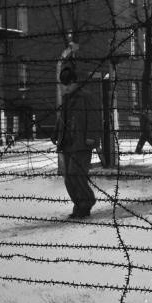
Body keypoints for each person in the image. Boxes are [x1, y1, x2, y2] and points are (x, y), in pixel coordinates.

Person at [51, 59, 102, 218]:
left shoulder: (86, 97)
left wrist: (91, 138)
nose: (64, 87)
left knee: (76, 174)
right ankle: (79, 204)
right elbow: (62, 120)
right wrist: (56, 133)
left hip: (81, 143)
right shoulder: (67, 100)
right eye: (63, 84)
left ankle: (86, 203)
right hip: (67, 143)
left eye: (67, 84)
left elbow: (94, 118)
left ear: (74, 83)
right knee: (69, 178)